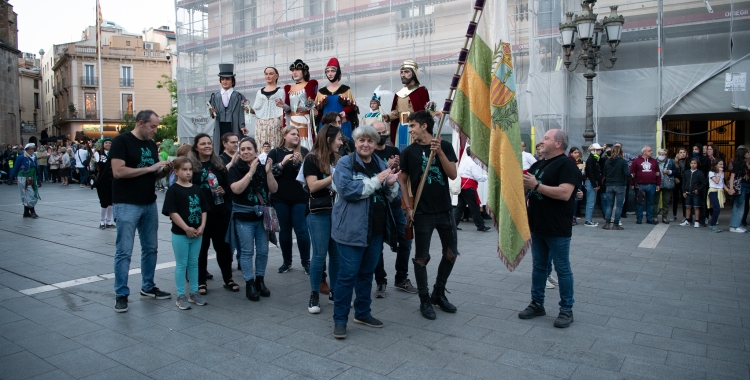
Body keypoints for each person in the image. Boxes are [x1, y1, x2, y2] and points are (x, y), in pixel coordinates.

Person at [331, 125, 401, 339]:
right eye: (361, 140)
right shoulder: (345, 163)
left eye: (370, 141)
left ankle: (362, 313)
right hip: (351, 230)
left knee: (366, 274)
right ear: (355, 141)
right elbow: (347, 191)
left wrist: (390, 184)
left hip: (375, 230)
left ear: (375, 143)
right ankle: (340, 320)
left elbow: (390, 196)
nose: (365, 144)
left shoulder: (379, 162)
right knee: (347, 276)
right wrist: (377, 181)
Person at [398, 110, 459, 320]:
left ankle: (438, 293)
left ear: (424, 125)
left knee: (451, 253)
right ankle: (424, 299)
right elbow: (402, 180)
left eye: (413, 126)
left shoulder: (445, 146)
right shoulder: (408, 152)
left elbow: (452, 174)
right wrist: (407, 207)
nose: (410, 130)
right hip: (421, 212)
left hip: (444, 209)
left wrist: (439, 151)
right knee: (421, 258)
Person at [110, 110, 173, 313]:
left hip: (148, 203)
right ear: (140, 123)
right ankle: (121, 293)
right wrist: (150, 168)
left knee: (151, 248)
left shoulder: (150, 145)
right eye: (152, 126)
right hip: (126, 203)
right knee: (124, 251)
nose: (155, 130)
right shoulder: (122, 141)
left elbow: (150, 176)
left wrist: (164, 171)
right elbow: (118, 172)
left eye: (156, 126)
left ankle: (148, 286)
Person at [519, 129, 577, 328]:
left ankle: (566, 309)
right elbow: (528, 187)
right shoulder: (537, 164)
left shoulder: (567, 165)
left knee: (562, 269)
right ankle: (537, 304)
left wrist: (536, 186)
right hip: (537, 225)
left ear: (558, 143)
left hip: (557, 227)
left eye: (546, 138)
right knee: (539, 267)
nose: (541, 141)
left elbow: (565, 193)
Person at [227, 137, 278, 301]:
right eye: (242, 149)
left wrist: (268, 172)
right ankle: (249, 283)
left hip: (261, 217)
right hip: (244, 217)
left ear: (256, 151)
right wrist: (250, 172)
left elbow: (274, 189)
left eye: (249, 149)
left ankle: (260, 281)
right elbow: (236, 189)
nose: (246, 152)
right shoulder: (235, 169)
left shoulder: (263, 167)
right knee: (247, 252)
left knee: (263, 251)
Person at [372, 120, 417, 298]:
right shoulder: (368, 152)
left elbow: (399, 177)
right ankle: (380, 281)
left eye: (384, 132)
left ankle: (401, 278)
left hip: (395, 204)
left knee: (406, 240)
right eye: (379, 133)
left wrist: (396, 167)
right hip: (377, 205)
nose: (382, 136)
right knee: (376, 245)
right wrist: (386, 167)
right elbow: (370, 179)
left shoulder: (393, 151)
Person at [189, 133, 236, 295]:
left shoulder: (219, 164)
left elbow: (228, 186)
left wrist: (224, 191)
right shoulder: (191, 166)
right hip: (198, 215)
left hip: (219, 213)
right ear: (196, 147)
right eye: (203, 144)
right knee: (201, 249)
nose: (207, 146)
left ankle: (228, 278)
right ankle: (201, 281)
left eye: (209, 143)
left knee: (223, 248)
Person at [303, 125, 342, 312]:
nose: (341, 143)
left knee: (336, 255)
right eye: (339, 139)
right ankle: (314, 294)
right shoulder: (311, 158)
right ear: (328, 139)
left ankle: (335, 291)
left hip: (337, 211)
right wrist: (335, 176)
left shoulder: (339, 158)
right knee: (319, 255)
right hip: (318, 212)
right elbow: (313, 186)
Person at [162, 157, 209, 310]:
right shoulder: (173, 190)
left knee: (194, 263)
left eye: (190, 169)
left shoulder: (197, 188)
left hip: (197, 234)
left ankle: (194, 292)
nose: (188, 172)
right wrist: (186, 228)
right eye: (184, 169)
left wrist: (202, 226)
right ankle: (181, 294)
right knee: (182, 264)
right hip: (180, 234)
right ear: (176, 171)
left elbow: (203, 209)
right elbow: (172, 212)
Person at [268, 126, 311, 273]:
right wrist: (283, 163)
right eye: (293, 134)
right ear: (284, 135)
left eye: (297, 134)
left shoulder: (304, 152)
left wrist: (299, 163)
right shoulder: (275, 152)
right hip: (280, 198)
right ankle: (287, 261)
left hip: (300, 198)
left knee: (302, 230)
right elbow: (270, 172)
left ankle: (306, 262)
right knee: (285, 231)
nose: (296, 136)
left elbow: (308, 174)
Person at [383, 60, 430, 151]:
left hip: (415, 127)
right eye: (401, 72)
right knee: (401, 150)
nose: (403, 75)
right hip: (401, 127)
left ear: (414, 73)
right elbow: (397, 111)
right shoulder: (399, 93)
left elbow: (425, 113)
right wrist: (388, 116)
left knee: (413, 151)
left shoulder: (421, 90)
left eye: (407, 72)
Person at [314, 57, 359, 139]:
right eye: (327, 71)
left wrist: (345, 111)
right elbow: (319, 111)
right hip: (325, 126)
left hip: (342, 124)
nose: (330, 74)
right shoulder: (321, 92)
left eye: (332, 71)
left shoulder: (345, 89)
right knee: (325, 148)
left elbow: (352, 106)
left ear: (337, 72)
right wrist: (316, 113)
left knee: (344, 147)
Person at [278, 59, 318, 150]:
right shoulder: (289, 87)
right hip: (292, 120)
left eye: (297, 70)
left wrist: (303, 108)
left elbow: (312, 101)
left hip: (304, 119)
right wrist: (282, 105)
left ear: (305, 72)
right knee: (292, 143)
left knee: (303, 142)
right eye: (293, 70)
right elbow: (289, 109)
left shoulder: (310, 84)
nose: (294, 72)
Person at [209, 63, 249, 151]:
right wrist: (212, 113)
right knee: (219, 148)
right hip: (220, 125)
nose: (224, 81)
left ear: (232, 81)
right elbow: (212, 115)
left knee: (234, 147)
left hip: (234, 125)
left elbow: (247, 110)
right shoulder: (214, 96)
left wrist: (243, 125)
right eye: (222, 79)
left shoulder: (239, 96)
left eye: (227, 79)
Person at [454, 146, 490, 232]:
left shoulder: (465, 161)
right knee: (474, 207)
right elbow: (478, 177)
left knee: (460, 207)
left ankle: (454, 224)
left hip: (462, 186)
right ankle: (480, 226)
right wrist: (487, 176)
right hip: (469, 187)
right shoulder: (472, 164)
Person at [251, 67, 285, 148]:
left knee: (275, 145)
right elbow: (256, 109)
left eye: (271, 73)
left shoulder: (281, 91)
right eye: (266, 74)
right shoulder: (259, 92)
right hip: (261, 124)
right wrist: (248, 109)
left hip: (275, 123)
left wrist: (282, 122)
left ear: (277, 76)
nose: (268, 76)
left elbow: (282, 109)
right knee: (261, 146)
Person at [630, 145, 661, 225]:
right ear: (644, 152)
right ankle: (639, 218)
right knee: (639, 202)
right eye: (649, 151)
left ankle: (649, 218)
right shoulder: (636, 161)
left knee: (650, 202)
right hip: (640, 185)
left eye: (651, 150)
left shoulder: (654, 161)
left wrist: (658, 184)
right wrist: (632, 184)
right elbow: (632, 173)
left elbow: (658, 173)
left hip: (652, 185)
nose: (651, 152)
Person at [10, 143, 41, 218]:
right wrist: (13, 177)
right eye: (29, 149)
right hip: (23, 177)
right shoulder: (21, 157)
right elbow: (16, 167)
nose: (31, 150)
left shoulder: (34, 157)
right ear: (26, 150)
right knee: (26, 194)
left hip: (31, 177)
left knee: (30, 193)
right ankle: (32, 211)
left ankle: (26, 212)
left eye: (32, 149)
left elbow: (35, 168)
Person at [602, 145, 629, 230]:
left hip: (609, 185)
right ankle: (616, 224)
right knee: (619, 206)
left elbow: (605, 174)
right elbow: (627, 173)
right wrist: (631, 175)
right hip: (620, 185)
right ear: (621, 152)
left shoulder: (607, 161)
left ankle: (607, 224)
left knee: (609, 205)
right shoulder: (623, 162)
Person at [95, 138, 115, 229]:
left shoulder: (114, 154)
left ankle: (109, 221)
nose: (108, 144)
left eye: (110, 143)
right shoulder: (98, 153)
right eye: (106, 143)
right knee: (104, 202)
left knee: (111, 202)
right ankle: (102, 222)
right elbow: (92, 166)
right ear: (103, 144)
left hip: (113, 180)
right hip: (102, 181)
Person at [728, 146, 749, 233]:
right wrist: (731, 188)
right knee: (738, 205)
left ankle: (738, 224)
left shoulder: (744, 163)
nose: (748, 154)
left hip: (745, 185)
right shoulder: (737, 163)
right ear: (743, 154)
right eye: (747, 153)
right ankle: (734, 225)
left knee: (742, 205)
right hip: (740, 186)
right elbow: (733, 176)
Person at [680, 158, 706, 228]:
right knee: (688, 206)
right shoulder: (686, 172)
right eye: (692, 163)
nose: (693, 165)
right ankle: (687, 220)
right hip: (687, 192)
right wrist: (683, 191)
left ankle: (697, 221)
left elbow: (703, 183)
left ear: (697, 164)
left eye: (695, 163)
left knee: (696, 207)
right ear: (689, 164)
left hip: (695, 193)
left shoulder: (700, 173)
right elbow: (683, 183)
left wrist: (698, 189)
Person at [707, 159, 730, 233]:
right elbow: (716, 181)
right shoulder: (711, 173)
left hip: (719, 191)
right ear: (715, 165)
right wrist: (719, 173)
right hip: (713, 191)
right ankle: (712, 225)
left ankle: (713, 224)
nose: (722, 166)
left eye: (722, 164)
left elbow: (722, 183)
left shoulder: (722, 173)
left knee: (718, 208)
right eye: (720, 164)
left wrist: (728, 190)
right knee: (716, 208)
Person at [583, 143, 603, 227]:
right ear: (594, 151)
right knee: (590, 201)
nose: (600, 152)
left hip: (593, 182)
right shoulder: (591, 160)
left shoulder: (594, 159)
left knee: (591, 201)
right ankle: (588, 220)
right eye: (598, 150)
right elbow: (590, 173)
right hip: (591, 182)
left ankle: (589, 219)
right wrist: (595, 185)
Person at [654, 149, 676, 224]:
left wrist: (669, 171)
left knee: (666, 201)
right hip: (657, 184)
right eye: (660, 154)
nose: (661, 156)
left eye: (663, 154)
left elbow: (675, 171)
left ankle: (665, 217)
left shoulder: (670, 162)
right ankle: (655, 216)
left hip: (666, 184)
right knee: (655, 201)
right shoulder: (654, 161)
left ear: (666, 155)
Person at [568, 147, 583, 224]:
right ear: (571, 153)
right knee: (572, 199)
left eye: (578, 153)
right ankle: (571, 216)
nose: (577, 154)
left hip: (578, 181)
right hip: (572, 182)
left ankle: (574, 216)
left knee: (576, 200)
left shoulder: (579, 161)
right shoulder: (570, 161)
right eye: (575, 153)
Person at [673, 148, 687, 222]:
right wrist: (675, 178)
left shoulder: (687, 161)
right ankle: (674, 215)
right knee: (675, 198)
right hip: (676, 181)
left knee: (684, 199)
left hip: (684, 182)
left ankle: (685, 216)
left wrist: (680, 160)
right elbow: (673, 171)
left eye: (684, 152)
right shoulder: (674, 161)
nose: (682, 154)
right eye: (680, 152)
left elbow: (684, 170)